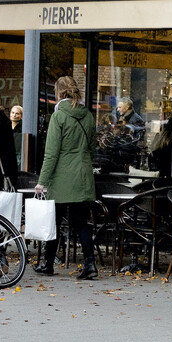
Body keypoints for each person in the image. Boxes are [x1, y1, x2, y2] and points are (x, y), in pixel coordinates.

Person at [34, 76, 98, 279]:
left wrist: (42, 181)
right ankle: (90, 265)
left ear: (59, 93)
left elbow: (51, 153)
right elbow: (92, 147)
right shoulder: (88, 115)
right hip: (83, 173)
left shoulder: (59, 116)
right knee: (81, 221)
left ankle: (48, 264)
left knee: (53, 221)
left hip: (62, 176)